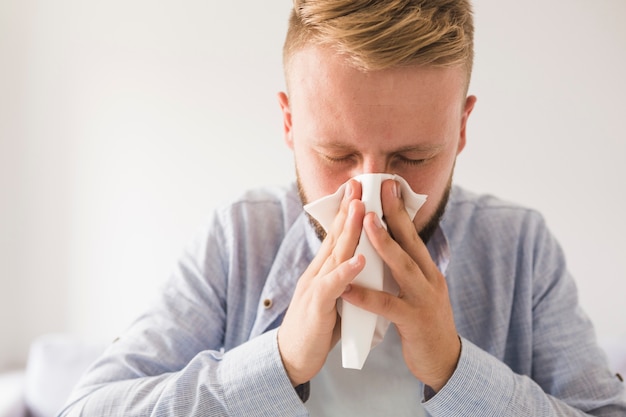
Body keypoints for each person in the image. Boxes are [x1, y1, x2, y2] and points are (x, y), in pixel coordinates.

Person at [58, 0, 626, 416]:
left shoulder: (521, 249)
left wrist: (457, 372)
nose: (370, 194)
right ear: (288, 124)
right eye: (336, 154)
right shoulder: (239, 239)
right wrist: (276, 363)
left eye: (411, 156)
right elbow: (85, 409)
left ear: (461, 128)